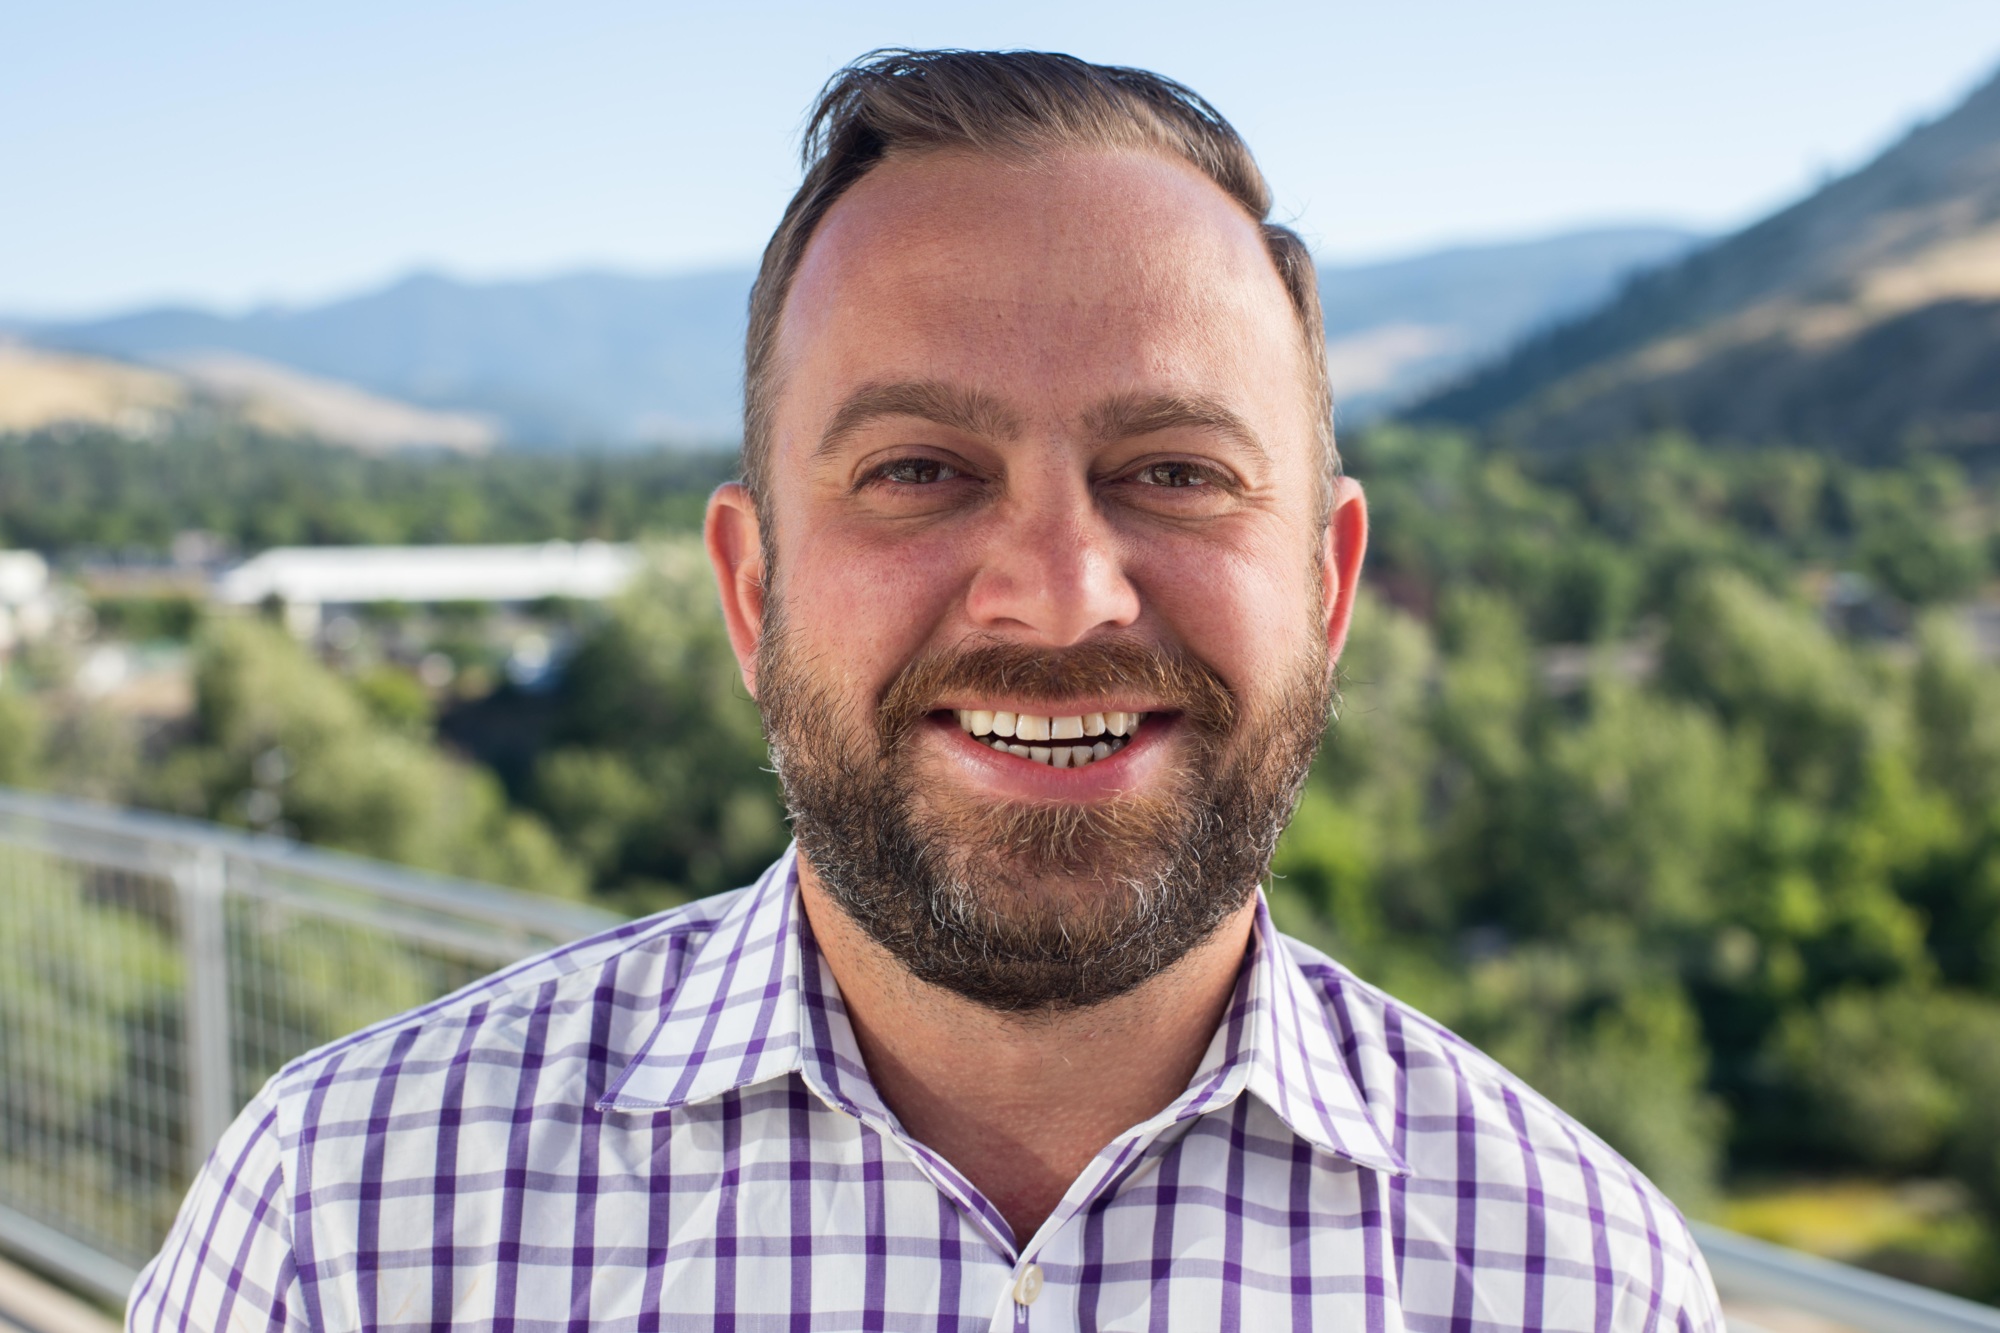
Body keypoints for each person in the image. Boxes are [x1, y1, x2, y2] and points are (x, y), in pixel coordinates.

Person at [130, 49, 1724, 1331]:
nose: (1056, 589)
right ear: (754, 592)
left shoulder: (1580, 1284)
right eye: (918, 470)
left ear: (1325, 581)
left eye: (1171, 470)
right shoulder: (346, 1223)